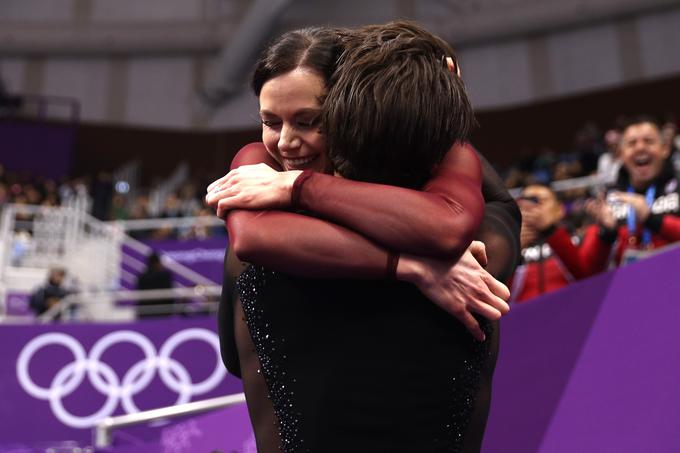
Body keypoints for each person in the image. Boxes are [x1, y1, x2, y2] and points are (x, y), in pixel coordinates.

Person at [207, 23, 519, 452]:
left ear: (348, 106)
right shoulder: (482, 238)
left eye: (309, 121)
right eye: (269, 122)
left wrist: (297, 188)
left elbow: (232, 355)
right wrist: (412, 266)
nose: (286, 142)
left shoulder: (265, 224)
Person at [551, 116, 680, 274]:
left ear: (665, 149)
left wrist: (651, 219)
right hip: (630, 293)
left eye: (649, 141)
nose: (640, 148)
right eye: (632, 143)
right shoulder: (607, 198)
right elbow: (587, 270)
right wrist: (607, 233)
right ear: (621, 153)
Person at [510, 184, 587, 302]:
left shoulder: (579, 238)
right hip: (522, 317)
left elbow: (588, 277)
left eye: (541, 201)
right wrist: (514, 250)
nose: (534, 207)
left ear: (560, 210)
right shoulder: (505, 245)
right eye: (528, 201)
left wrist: (550, 232)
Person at [135, 252, 175, 317]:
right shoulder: (165, 276)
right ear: (157, 263)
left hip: (145, 313)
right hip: (163, 313)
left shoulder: (142, 277)